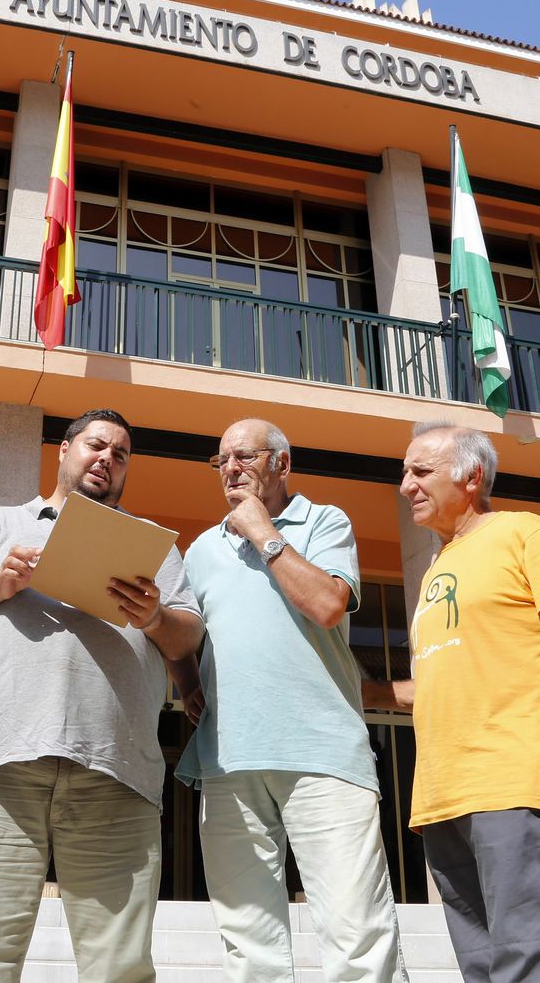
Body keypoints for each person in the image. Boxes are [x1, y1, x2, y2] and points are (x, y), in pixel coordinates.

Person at [0, 408, 205, 983]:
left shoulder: (153, 549)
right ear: (63, 450)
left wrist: (153, 616)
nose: (107, 459)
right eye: (96, 445)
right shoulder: (0, 525)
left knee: (120, 969)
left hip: (116, 773)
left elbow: (188, 636)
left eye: (120, 454)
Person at [364, 421, 540, 983]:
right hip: (442, 798)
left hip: (513, 784)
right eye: (404, 473)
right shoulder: (438, 565)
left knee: (527, 963)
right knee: (482, 968)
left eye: (421, 471)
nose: (406, 486)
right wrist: (359, 690)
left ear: (472, 477)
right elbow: (441, 682)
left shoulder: (524, 533)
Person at [173, 418, 407, 983]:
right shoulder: (201, 550)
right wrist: (187, 681)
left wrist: (262, 531)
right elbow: (183, 632)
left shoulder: (325, 521)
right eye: (222, 460)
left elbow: (327, 605)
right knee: (249, 941)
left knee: (357, 932)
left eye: (245, 456)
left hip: (323, 754)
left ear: (281, 463)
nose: (231, 469)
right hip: (228, 758)